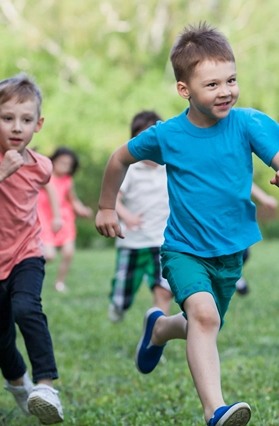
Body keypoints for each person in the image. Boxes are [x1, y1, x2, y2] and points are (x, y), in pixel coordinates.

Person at [95, 22, 279, 426]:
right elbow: (118, 159)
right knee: (206, 318)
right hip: (183, 250)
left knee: (203, 321)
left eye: (231, 80)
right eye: (212, 84)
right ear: (185, 90)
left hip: (231, 253)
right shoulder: (167, 135)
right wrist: (107, 206)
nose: (226, 90)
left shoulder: (248, 123)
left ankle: (158, 330)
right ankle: (216, 411)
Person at [0, 73, 64, 424]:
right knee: (0, 338)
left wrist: (58, 215)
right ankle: (19, 385)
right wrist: (0, 172)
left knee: (27, 308)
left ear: (38, 124)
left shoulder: (40, 164)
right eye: (8, 118)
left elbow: (51, 183)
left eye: (26, 120)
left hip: (26, 251)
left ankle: (46, 387)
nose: (17, 128)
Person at [108, 111, 173, 323]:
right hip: (132, 242)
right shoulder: (130, 169)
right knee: (122, 297)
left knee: (164, 291)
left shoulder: (170, 167)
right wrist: (126, 216)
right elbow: (113, 198)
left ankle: (155, 335)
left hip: (162, 242)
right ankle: (118, 306)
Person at [38, 147, 93, 292]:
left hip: (65, 218)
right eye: (61, 162)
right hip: (45, 218)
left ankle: (59, 282)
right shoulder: (44, 177)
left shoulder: (68, 180)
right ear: (53, 161)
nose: (64, 166)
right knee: (48, 255)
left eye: (68, 164)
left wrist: (82, 210)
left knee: (69, 252)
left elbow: (73, 200)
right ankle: (33, 278)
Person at [236, 182, 278, 295]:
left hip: (234, 215)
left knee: (243, 254)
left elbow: (243, 178)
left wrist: (263, 197)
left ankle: (235, 276)